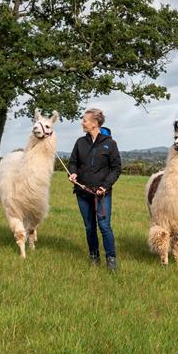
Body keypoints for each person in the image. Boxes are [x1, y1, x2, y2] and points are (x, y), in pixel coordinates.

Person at [67, 108, 122, 271]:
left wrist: (105, 186)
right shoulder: (80, 142)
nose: (82, 123)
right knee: (89, 227)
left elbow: (116, 168)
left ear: (94, 123)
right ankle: (94, 256)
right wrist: (73, 173)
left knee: (104, 226)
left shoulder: (110, 144)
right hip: (82, 193)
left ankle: (111, 260)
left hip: (102, 194)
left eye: (84, 120)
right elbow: (72, 163)